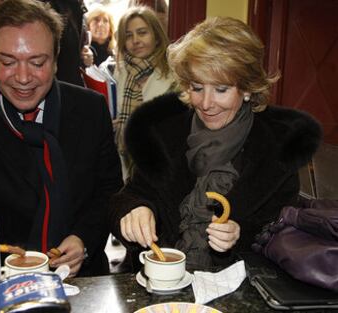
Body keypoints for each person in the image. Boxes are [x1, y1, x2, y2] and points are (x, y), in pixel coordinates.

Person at [0, 0, 122, 277]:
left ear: (55, 60)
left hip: (85, 278)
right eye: (7, 61)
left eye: (37, 62)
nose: (23, 77)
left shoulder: (91, 109)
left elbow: (109, 190)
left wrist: (84, 240)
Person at [109, 16, 322, 271]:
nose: (206, 103)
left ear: (247, 88)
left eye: (221, 89)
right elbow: (128, 196)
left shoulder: (277, 149)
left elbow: (283, 231)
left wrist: (240, 236)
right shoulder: (164, 133)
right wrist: (134, 210)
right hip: (162, 285)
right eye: (197, 87)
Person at [113, 6, 174, 178]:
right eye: (129, 35)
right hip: (123, 165)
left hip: (161, 161)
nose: (135, 40)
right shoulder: (118, 73)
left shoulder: (174, 74)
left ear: (156, 36)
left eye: (142, 32)